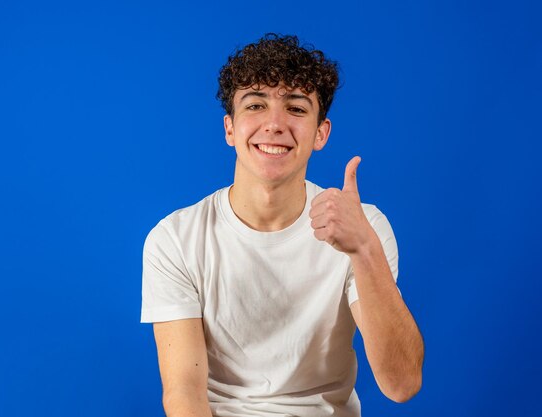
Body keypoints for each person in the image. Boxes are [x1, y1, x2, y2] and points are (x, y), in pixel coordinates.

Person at [140, 33, 424, 417]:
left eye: (296, 108)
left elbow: (402, 384)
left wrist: (364, 249)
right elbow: (183, 395)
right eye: (255, 105)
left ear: (321, 133)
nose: (274, 124)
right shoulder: (175, 238)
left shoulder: (364, 226)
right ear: (229, 128)